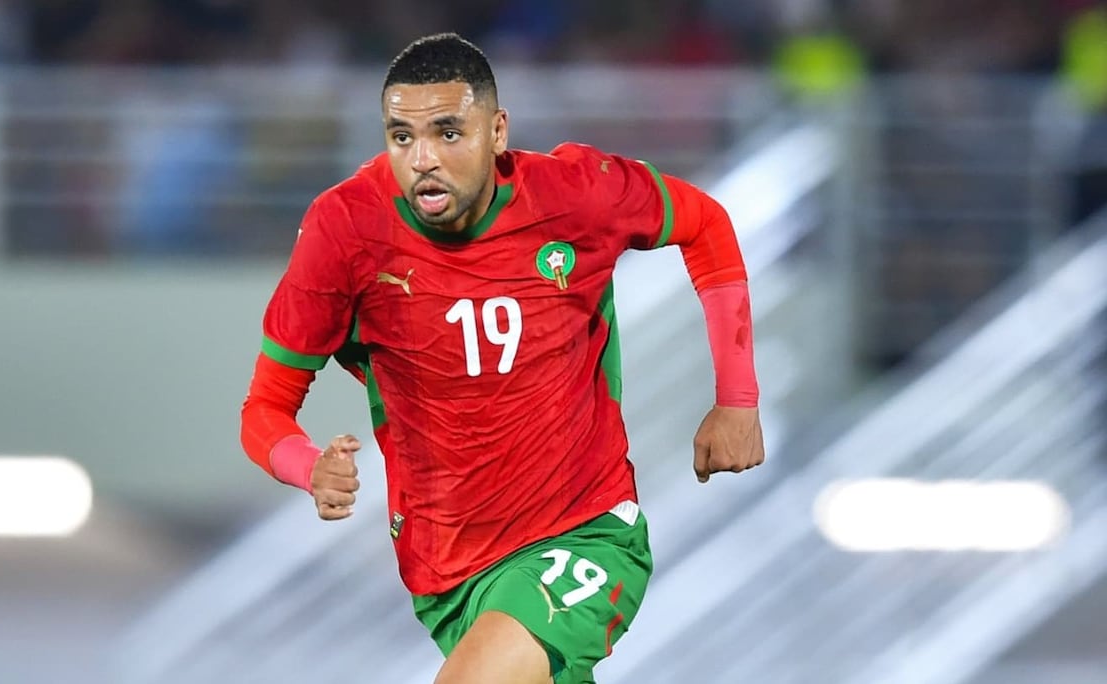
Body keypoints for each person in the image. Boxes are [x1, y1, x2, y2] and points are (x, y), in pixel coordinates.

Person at [240, 32, 765, 684]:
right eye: (402, 137)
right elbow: (264, 409)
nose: (422, 159)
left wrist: (737, 400)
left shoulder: (574, 195)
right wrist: (308, 467)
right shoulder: (345, 229)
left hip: (583, 531)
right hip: (446, 575)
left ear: (496, 132)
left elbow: (703, 222)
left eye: (447, 133)